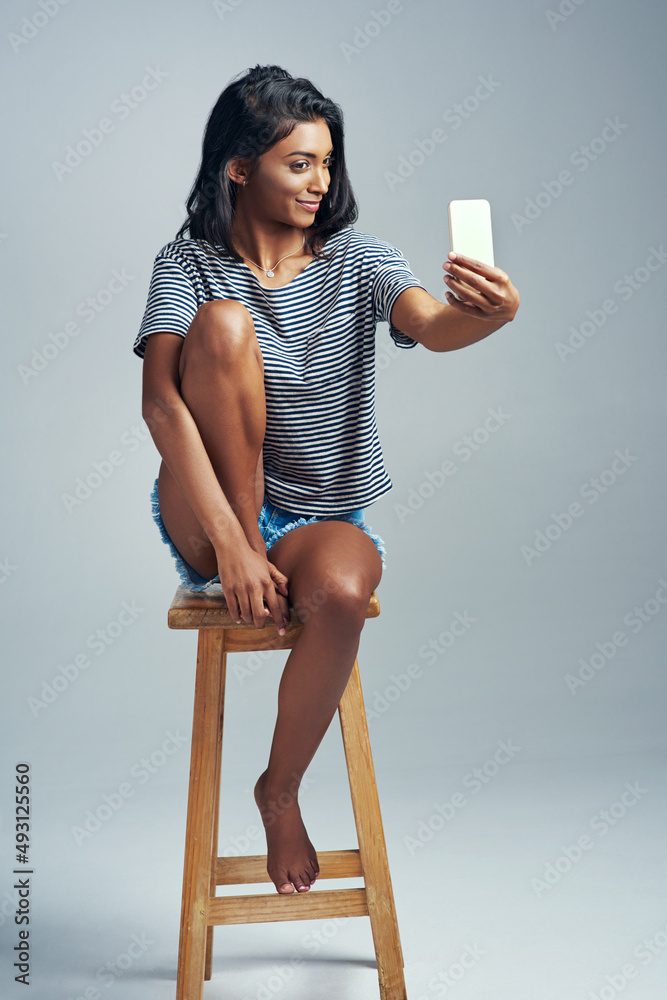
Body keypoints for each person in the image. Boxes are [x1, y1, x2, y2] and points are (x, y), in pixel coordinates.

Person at [134, 63, 519, 896]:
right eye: (298, 163)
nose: (321, 181)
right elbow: (162, 409)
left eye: (327, 162)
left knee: (342, 594)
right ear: (239, 167)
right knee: (225, 326)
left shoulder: (357, 259)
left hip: (316, 515)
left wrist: (488, 314)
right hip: (208, 514)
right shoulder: (188, 263)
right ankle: (243, 552)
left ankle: (279, 791)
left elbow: (429, 324)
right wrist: (236, 547)